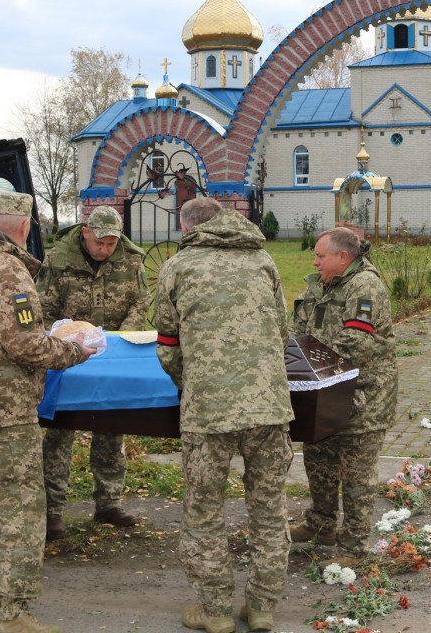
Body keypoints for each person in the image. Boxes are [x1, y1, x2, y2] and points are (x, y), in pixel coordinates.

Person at [0, 192, 95, 633]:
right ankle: (11, 613)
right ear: (25, 227)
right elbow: (25, 343)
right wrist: (74, 350)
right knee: (22, 511)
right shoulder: (7, 269)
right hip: (6, 411)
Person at [153, 197, 293, 633]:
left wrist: (191, 383)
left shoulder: (178, 267)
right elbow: (282, 330)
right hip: (268, 407)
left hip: (208, 412)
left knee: (204, 510)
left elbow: (167, 347)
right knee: (269, 509)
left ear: (187, 227)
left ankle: (214, 611)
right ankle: (262, 607)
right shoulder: (264, 260)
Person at [289, 227, 397, 567]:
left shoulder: (365, 287)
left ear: (343, 258)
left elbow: (357, 343)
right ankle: (320, 525)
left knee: (356, 476)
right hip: (323, 393)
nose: (315, 261)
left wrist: (304, 358)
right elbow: (298, 331)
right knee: (318, 461)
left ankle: (354, 547)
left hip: (363, 394)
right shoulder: (317, 285)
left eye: (321, 256)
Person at [38, 205, 147, 540]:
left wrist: (116, 341)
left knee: (111, 428)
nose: (105, 249)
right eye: (100, 242)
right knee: (59, 432)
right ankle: (52, 511)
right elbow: (42, 308)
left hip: (112, 356)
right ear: (85, 232)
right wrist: (62, 343)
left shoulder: (131, 260)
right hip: (66, 357)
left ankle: (108, 503)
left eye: (112, 243)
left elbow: (140, 302)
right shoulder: (57, 260)